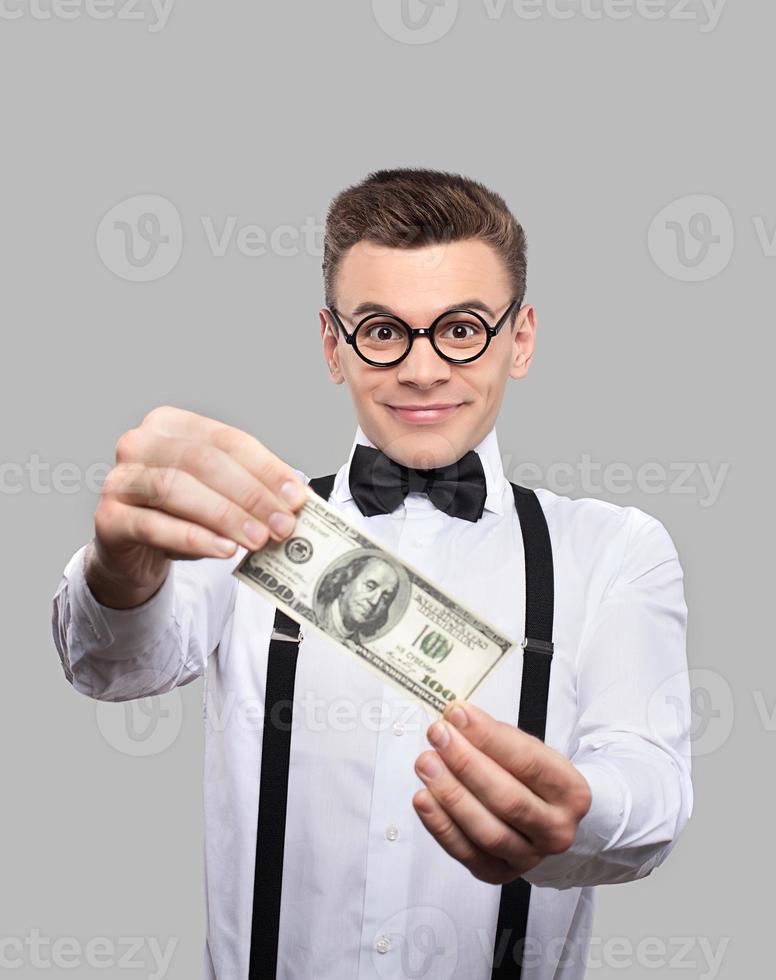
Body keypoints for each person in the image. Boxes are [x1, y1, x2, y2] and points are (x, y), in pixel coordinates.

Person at [51, 168, 693, 980]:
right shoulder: (246, 522)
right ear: (333, 344)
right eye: (384, 331)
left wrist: (582, 811)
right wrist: (119, 563)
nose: (423, 371)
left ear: (519, 338)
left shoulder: (615, 552)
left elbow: (653, 793)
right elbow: (110, 667)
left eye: (460, 329)